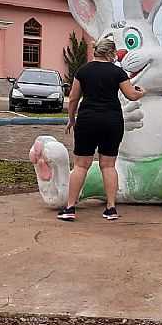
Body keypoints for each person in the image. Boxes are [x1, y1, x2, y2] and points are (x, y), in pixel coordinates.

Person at [58, 37, 145, 221]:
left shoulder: (83, 70)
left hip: (88, 120)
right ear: (111, 52)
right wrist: (141, 92)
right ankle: (111, 209)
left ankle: (70, 207)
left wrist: (71, 119)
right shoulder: (118, 72)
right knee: (108, 165)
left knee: (81, 165)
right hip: (112, 121)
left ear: (97, 51)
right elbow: (131, 95)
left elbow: (73, 98)